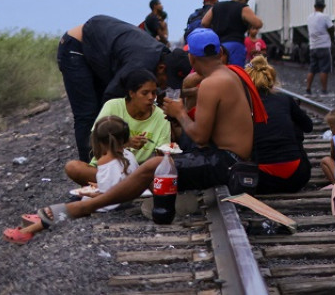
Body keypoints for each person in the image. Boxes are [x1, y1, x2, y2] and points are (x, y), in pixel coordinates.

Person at [28, 28, 263, 231]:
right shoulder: (230, 74)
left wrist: (179, 113)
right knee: (156, 168)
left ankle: (84, 207)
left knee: (154, 166)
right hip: (232, 158)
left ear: (192, 57)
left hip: (226, 161)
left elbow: (200, 137)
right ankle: (94, 203)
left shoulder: (212, 83)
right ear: (218, 52)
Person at [56, 15, 192, 161]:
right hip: (76, 47)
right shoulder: (141, 62)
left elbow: (155, 97)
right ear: (161, 68)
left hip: (100, 52)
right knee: (88, 114)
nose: (165, 86)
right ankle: (92, 168)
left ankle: (112, 161)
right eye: (167, 81)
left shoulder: (160, 56)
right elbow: (112, 99)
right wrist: (126, 138)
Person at [4, 116, 138, 243]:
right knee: (72, 203)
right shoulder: (129, 155)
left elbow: (106, 196)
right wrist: (98, 186)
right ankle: (42, 217)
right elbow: (120, 183)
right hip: (124, 200)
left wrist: (91, 193)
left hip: (107, 206)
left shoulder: (105, 162)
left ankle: (28, 231)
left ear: (99, 141)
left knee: (65, 211)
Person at [64, 68, 171, 185]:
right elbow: (97, 146)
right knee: (73, 167)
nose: (151, 97)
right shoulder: (113, 106)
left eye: (154, 93)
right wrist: (126, 143)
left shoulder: (161, 117)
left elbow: (163, 156)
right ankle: (117, 188)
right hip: (105, 169)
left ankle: (108, 188)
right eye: (145, 93)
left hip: (136, 173)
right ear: (131, 93)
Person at [245, 55, 313, 194]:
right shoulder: (284, 99)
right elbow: (308, 126)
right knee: (294, 122)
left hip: (263, 181)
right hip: (298, 177)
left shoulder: (245, 103)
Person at [202, 0, 263, 67]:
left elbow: (204, 22)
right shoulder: (242, 7)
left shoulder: (217, 6)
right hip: (236, 45)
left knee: (220, 71)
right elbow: (258, 24)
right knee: (236, 72)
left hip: (220, 46)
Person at [305, 0, 334, 94]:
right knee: (324, 69)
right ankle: (324, 91)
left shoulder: (309, 17)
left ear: (314, 6)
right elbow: (331, 28)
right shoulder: (324, 16)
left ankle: (308, 89)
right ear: (324, 6)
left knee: (312, 69)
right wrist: (332, 37)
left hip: (313, 46)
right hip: (323, 46)